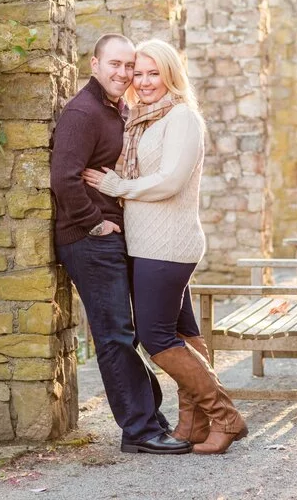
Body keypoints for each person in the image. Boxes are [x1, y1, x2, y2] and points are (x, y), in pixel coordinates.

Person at [82, 39, 248, 455]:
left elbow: (172, 180)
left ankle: (226, 418)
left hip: (168, 245)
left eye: (153, 73)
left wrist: (117, 186)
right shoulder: (142, 119)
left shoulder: (182, 118)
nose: (143, 81)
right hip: (148, 244)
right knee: (182, 332)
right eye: (138, 73)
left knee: (155, 338)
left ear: (171, 74)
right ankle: (192, 423)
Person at [50, 34, 190, 455]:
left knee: (126, 333)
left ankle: (150, 417)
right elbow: (63, 179)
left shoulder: (118, 110)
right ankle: (140, 432)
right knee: (115, 335)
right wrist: (94, 224)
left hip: (114, 237)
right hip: (89, 241)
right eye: (115, 64)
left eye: (130, 66)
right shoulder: (82, 112)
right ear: (94, 64)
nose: (124, 73)